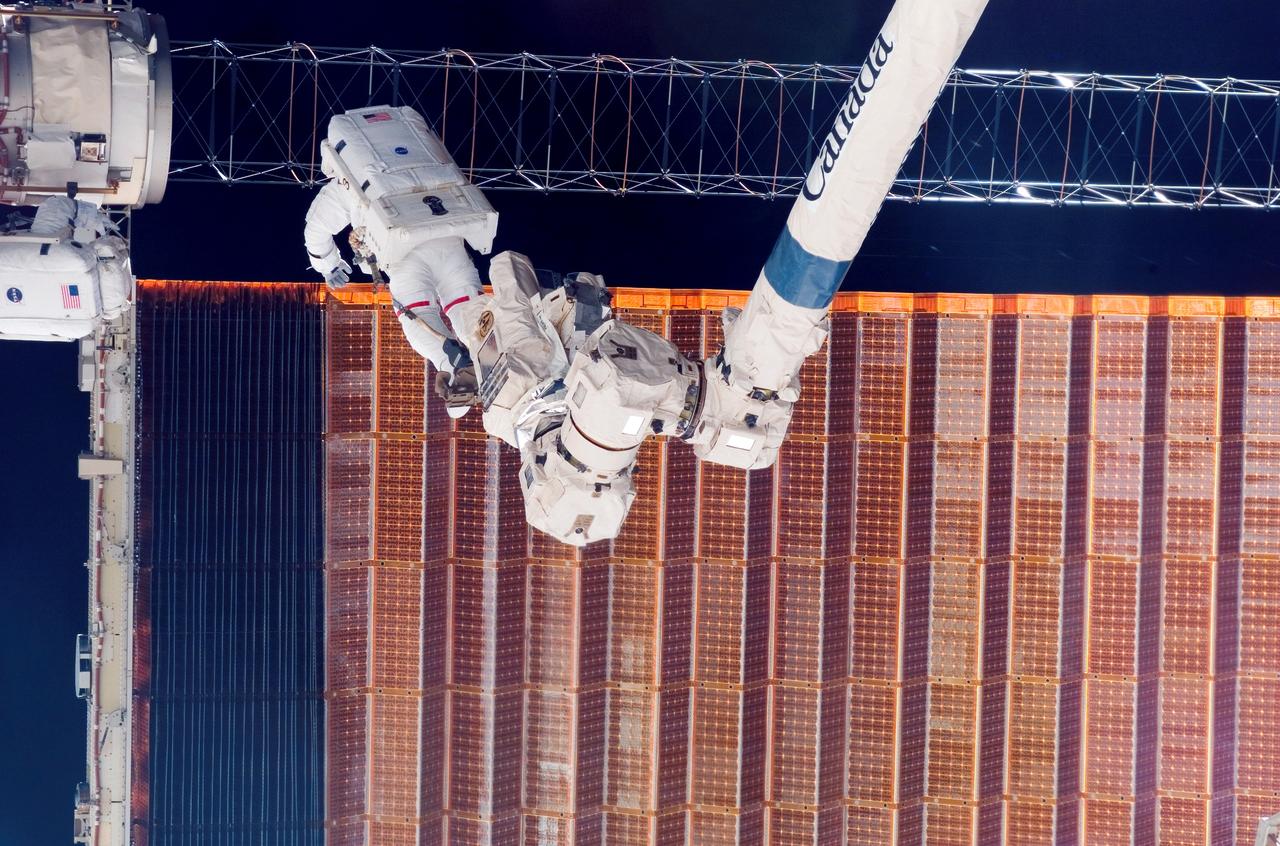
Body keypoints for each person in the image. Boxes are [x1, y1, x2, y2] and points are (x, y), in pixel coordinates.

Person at [303, 106, 498, 415]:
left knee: (417, 315)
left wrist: (329, 266)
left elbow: (315, 229)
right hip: (450, 238)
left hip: (404, 256)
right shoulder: (418, 156)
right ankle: (492, 349)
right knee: (466, 307)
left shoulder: (344, 184)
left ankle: (451, 360)